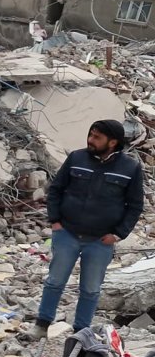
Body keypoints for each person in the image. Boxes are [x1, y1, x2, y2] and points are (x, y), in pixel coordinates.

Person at [25, 119, 143, 341]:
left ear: (113, 142)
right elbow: (56, 190)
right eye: (90, 135)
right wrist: (55, 222)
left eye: (97, 137)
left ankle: (81, 334)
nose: (90, 140)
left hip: (100, 240)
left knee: (90, 289)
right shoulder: (76, 158)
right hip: (67, 233)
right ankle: (41, 326)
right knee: (55, 281)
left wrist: (119, 234)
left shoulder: (130, 168)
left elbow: (135, 206)